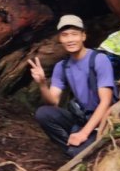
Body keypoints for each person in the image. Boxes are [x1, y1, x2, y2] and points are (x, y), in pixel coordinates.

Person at [29, 14, 114, 157]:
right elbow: (53, 102)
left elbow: (106, 102)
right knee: (44, 113)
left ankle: (82, 151)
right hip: (82, 118)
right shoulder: (62, 67)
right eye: (65, 35)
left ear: (83, 36)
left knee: (80, 151)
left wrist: (83, 134)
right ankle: (74, 150)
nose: (70, 39)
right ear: (60, 39)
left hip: (104, 119)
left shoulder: (99, 60)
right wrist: (43, 84)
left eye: (74, 34)